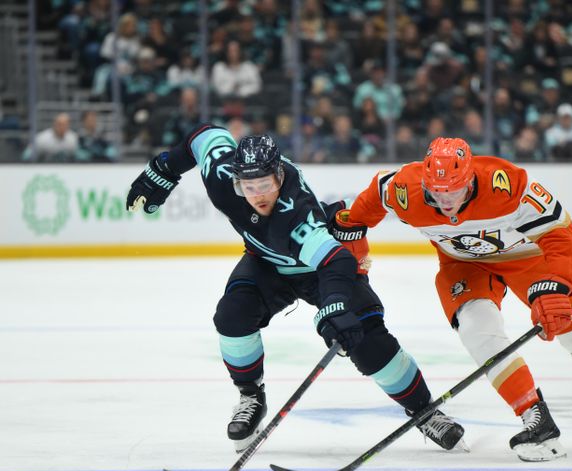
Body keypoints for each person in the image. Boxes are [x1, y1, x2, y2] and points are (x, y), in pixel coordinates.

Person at [328, 137, 572, 462]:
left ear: (471, 179)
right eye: (437, 193)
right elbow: (372, 198)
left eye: (456, 191)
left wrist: (556, 283)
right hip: (463, 265)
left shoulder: (505, 184)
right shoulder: (406, 188)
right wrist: (352, 228)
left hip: (529, 258)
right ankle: (534, 416)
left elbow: (562, 235)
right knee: (477, 329)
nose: (447, 202)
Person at [125, 125, 465, 452]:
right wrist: (166, 166)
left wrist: (333, 306)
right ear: (236, 179)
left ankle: (424, 410)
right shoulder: (221, 174)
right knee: (232, 315)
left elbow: (337, 263)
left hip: (319, 268)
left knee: (366, 340)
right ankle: (251, 396)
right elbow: (205, 136)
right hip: (268, 263)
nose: (258, 195)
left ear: (280, 177)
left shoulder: (295, 214)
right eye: (249, 187)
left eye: (265, 185)